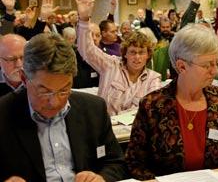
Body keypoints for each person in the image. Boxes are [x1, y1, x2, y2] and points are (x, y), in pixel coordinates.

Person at [125, 24, 218, 179]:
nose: (215, 71)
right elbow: (134, 164)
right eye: (207, 65)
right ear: (182, 66)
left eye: (216, 62)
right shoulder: (152, 105)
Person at [0, 32, 127, 181]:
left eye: (64, 90)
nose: (55, 102)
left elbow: (117, 163)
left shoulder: (93, 108)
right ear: (24, 79)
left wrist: (101, 178)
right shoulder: (3, 114)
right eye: (44, 91)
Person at [75, 0, 162, 115]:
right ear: (124, 53)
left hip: (134, 132)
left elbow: (152, 109)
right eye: (132, 52)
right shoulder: (110, 65)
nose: (137, 57)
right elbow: (86, 50)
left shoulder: (153, 79)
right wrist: (83, 19)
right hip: (106, 129)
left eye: (141, 52)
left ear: (148, 55)